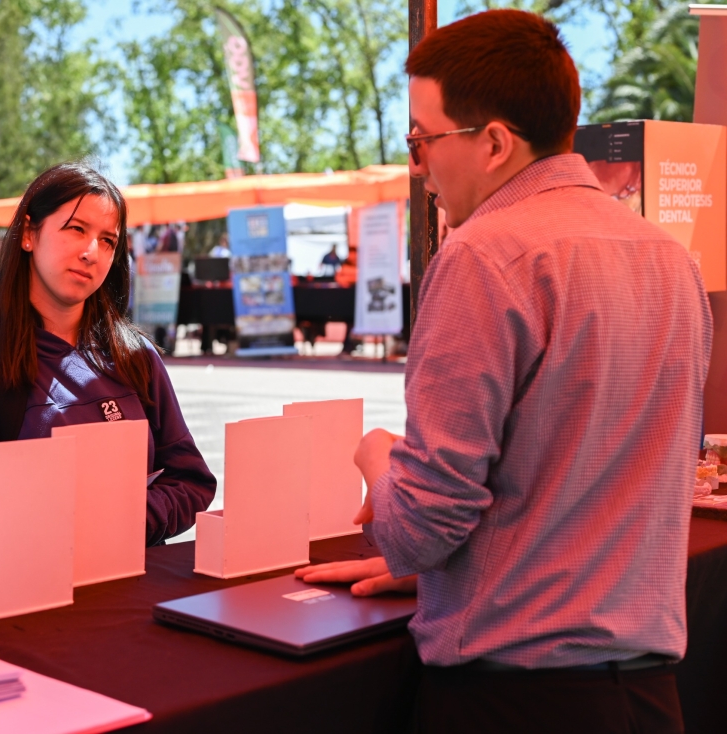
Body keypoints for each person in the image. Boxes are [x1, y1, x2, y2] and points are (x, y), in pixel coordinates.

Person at [296, 10, 711, 733]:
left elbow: (421, 529)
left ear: (492, 143)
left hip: (515, 701)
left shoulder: (483, 256)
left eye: (423, 140)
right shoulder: (670, 259)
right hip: (648, 693)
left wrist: (378, 458)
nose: (418, 166)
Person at [0, 162, 216, 561]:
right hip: (33, 589)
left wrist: (131, 518)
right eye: (76, 229)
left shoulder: (136, 356)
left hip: (138, 586)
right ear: (29, 234)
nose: (90, 252)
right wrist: (45, 530)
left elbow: (192, 481)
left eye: (108, 240)